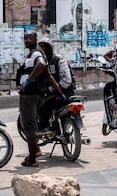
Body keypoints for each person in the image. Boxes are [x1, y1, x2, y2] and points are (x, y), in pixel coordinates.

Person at [17, 30, 49, 167]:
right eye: (25, 39)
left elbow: (41, 65)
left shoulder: (36, 53)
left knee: (29, 126)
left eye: (29, 38)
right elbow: (47, 75)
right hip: (33, 94)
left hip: (30, 95)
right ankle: (35, 150)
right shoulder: (31, 55)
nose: (26, 41)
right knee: (29, 124)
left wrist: (28, 81)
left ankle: (32, 159)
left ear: (35, 39)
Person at [37, 38, 74, 133]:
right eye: (40, 46)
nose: (42, 49)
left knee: (44, 104)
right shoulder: (41, 61)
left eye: (44, 46)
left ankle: (44, 127)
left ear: (50, 48)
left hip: (64, 91)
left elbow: (67, 80)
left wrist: (51, 90)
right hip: (52, 91)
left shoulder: (59, 59)